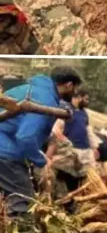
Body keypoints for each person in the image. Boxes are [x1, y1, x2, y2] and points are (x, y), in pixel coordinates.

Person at [0, 67, 81, 218]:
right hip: (5, 152)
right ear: (69, 85)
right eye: (75, 88)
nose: (75, 93)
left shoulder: (34, 89)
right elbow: (25, 137)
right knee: (23, 204)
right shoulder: (45, 99)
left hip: (6, 147)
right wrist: (41, 162)